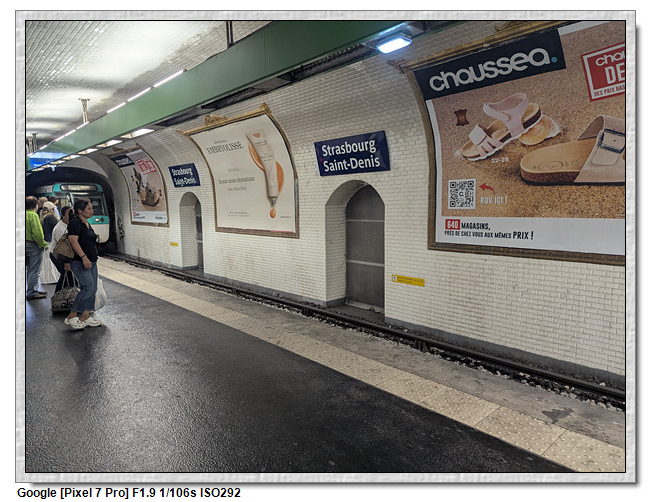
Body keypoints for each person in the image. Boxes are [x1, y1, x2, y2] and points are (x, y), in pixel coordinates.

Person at [64, 199, 102, 330]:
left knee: (93, 289)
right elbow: (73, 241)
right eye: (89, 209)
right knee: (87, 288)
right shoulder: (75, 223)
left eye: (92, 208)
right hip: (80, 262)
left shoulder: (86, 223)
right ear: (80, 211)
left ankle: (85, 316)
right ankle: (72, 315)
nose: (92, 211)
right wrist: (84, 257)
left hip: (92, 261)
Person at [26, 196, 48, 300]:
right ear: (36, 205)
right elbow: (37, 233)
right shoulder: (33, 215)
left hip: (25, 244)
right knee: (35, 270)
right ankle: (32, 292)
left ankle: (33, 289)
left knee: (29, 269)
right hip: (33, 245)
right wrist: (43, 244)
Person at [50, 205, 73, 293]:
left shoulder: (68, 225)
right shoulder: (60, 229)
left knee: (67, 276)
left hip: (63, 254)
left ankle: (66, 296)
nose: (71, 216)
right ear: (62, 216)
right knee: (65, 274)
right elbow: (63, 248)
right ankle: (58, 295)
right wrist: (67, 263)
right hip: (58, 255)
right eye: (68, 214)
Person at [39, 202, 60, 284]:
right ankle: (53, 278)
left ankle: (46, 278)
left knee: (46, 261)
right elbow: (57, 227)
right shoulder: (51, 217)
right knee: (52, 260)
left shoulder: (42, 217)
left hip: (45, 241)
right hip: (51, 242)